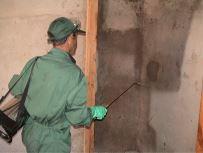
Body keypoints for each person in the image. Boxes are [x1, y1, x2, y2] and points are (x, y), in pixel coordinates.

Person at [8, 17, 107, 153]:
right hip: (53, 142)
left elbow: (15, 87)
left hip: (31, 133)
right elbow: (76, 117)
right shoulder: (74, 74)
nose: (75, 42)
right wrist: (93, 113)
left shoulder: (35, 62)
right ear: (69, 38)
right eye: (75, 36)